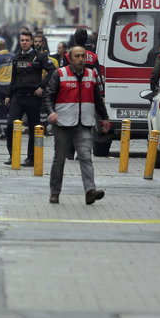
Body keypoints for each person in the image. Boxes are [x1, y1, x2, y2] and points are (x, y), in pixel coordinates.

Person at [44, 45, 111, 204]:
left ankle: (90, 191)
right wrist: (51, 112)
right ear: (70, 58)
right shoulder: (59, 74)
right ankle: (55, 192)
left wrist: (105, 118)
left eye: (83, 56)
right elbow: (48, 96)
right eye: (77, 56)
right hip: (62, 123)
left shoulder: (91, 74)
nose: (81, 59)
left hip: (83, 123)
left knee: (86, 157)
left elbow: (97, 99)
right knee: (59, 160)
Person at [3, 31, 55, 166]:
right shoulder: (16, 57)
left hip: (33, 97)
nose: (24, 42)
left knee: (34, 128)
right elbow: (13, 78)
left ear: (31, 42)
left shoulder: (40, 57)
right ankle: (12, 155)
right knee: (10, 125)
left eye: (27, 40)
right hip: (18, 97)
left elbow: (53, 70)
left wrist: (42, 87)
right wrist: (8, 95)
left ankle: (31, 158)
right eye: (22, 40)